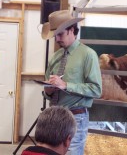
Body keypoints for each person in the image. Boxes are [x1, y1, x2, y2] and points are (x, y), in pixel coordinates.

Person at [41, 10, 102, 155]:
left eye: (60, 34)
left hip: (76, 117)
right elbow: (48, 87)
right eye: (55, 35)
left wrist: (66, 85)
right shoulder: (55, 57)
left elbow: (96, 90)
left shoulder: (88, 55)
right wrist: (48, 92)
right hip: (54, 117)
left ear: (71, 30)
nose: (56, 40)